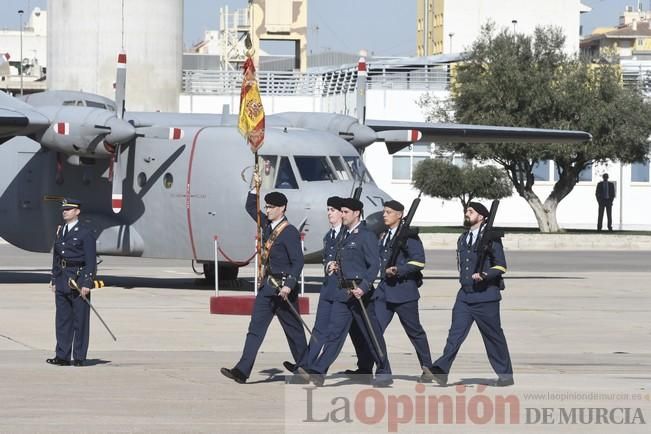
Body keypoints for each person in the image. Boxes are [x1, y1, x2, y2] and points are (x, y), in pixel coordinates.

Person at [296, 198, 393, 387]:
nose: (343, 214)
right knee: (335, 333)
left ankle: (384, 371)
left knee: (372, 334)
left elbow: (374, 265)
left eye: (346, 211)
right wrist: (332, 265)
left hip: (361, 293)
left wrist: (364, 287)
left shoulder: (366, 235)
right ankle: (319, 371)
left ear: (356, 213)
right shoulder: (342, 235)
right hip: (344, 292)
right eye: (342, 211)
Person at [221, 182, 307, 384]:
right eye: (266, 206)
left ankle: (305, 367)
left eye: (271, 207)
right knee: (255, 329)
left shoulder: (290, 232)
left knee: (294, 331)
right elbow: (251, 207)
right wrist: (254, 186)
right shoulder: (267, 226)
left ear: (282, 209)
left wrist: (289, 285)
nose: (267, 210)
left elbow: (298, 261)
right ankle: (242, 370)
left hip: (284, 289)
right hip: (268, 288)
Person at [422, 202, 513, 387]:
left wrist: (485, 274)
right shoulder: (463, 238)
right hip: (465, 294)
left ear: (481, 216)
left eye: (471, 211)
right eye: (466, 210)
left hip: (486, 295)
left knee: (493, 336)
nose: (467, 213)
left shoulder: (491, 238)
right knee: (455, 335)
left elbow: (501, 265)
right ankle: (441, 371)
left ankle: (505, 375)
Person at [282, 197, 370, 375]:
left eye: (333, 210)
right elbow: (327, 261)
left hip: (345, 290)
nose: (329, 213)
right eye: (328, 209)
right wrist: (328, 266)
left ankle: (371, 367)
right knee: (319, 329)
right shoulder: (329, 236)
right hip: (328, 289)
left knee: (348, 333)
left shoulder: (351, 235)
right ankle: (306, 364)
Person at [373, 200, 432, 380]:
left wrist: (399, 270)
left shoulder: (408, 236)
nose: (384, 215)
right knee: (374, 331)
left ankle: (428, 368)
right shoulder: (384, 236)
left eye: (389, 212)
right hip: (383, 292)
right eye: (384, 211)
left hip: (403, 292)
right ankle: (383, 371)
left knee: (414, 332)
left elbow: (419, 261)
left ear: (399, 215)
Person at [47, 198, 97, 367]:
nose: (65, 211)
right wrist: (53, 278)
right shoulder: (61, 231)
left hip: (78, 279)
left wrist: (87, 283)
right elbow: (57, 257)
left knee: (80, 320)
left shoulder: (85, 232)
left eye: (68, 209)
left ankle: (79, 356)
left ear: (77, 211)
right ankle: (62, 355)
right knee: (62, 319)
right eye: (63, 209)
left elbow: (91, 260)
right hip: (62, 278)